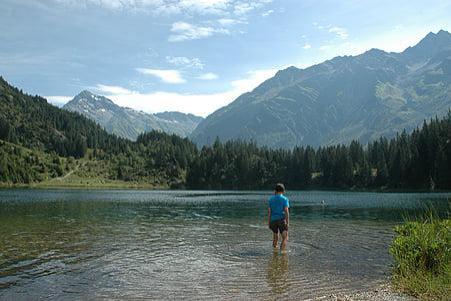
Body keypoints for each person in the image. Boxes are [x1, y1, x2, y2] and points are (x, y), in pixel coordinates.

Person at [268, 183, 290, 250]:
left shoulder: (271, 199)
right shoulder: (285, 199)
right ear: (283, 191)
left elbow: (269, 212)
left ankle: (275, 252)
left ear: (276, 190)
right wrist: (287, 222)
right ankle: (282, 252)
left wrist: (269, 222)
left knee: (275, 236)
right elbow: (286, 211)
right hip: (281, 220)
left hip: (273, 220)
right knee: (285, 237)